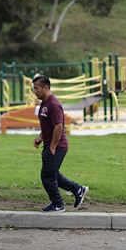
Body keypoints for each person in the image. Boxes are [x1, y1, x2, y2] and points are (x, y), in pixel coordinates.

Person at [32, 75, 89, 213]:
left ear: (46, 88)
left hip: (57, 146)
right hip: (49, 144)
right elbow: (48, 125)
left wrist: (52, 146)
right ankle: (78, 189)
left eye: (37, 88)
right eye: (33, 88)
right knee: (53, 174)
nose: (34, 91)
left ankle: (58, 204)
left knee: (47, 176)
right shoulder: (44, 103)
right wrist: (40, 137)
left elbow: (59, 127)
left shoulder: (54, 104)